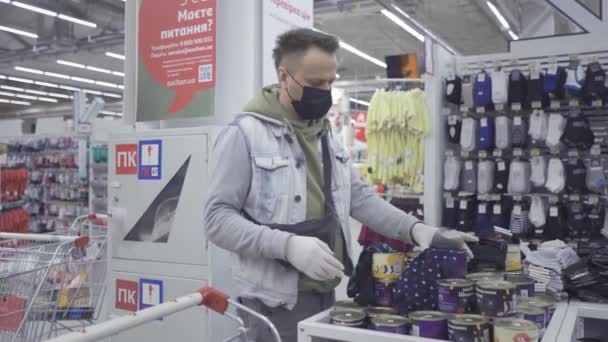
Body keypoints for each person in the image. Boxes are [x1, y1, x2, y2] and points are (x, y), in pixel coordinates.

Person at [204, 28, 477, 342]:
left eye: (331, 82)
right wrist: (287, 245)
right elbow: (217, 219)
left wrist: (419, 231)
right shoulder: (244, 135)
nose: (326, 91)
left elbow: (358, 197)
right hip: (272, 303)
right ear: (284, 76)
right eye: (316, 83)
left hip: (325, 293)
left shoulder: (325, 134)